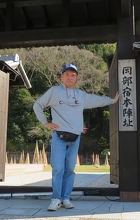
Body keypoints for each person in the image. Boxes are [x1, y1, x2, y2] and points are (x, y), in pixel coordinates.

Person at [33, 63, 119, 211]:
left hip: (75, 138)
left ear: (76, 78)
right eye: (67, 74)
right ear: (62, 77)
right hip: (59, 136)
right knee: (58, 168)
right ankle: (55, 199)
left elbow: (97, 100)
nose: (70, 77)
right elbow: (37, 105)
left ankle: (66, 198)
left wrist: (112, 100)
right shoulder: (54, 91)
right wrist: (46, 123)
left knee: (70, 169)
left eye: (73, 75)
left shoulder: (80, 95)